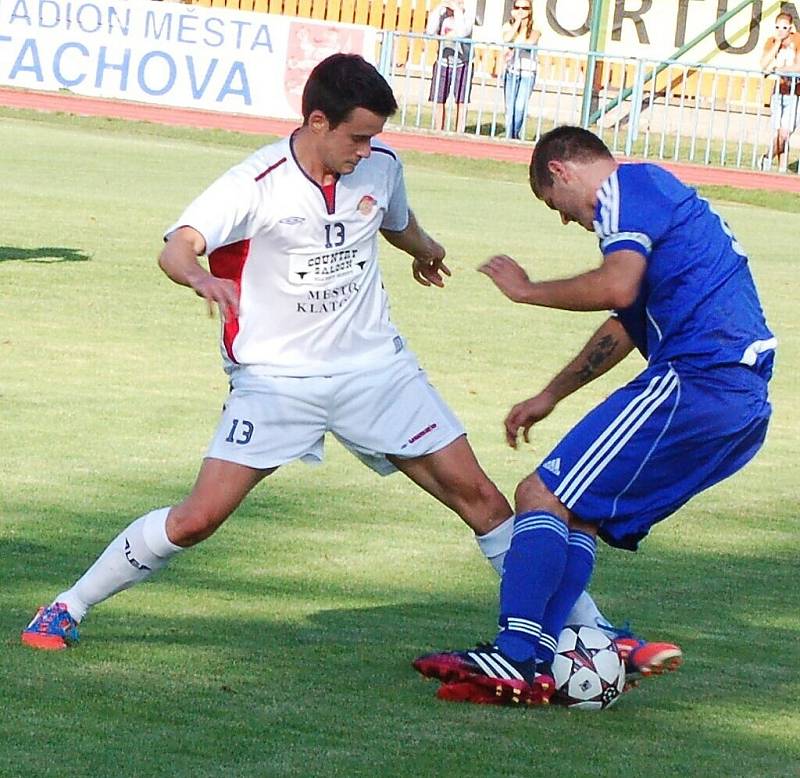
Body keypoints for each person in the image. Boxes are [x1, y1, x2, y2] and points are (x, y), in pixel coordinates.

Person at [20, 56, 642, 660]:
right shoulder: (253, 184)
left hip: (376, 369)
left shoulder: (379, 166)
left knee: (483, 500)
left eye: (375, 138)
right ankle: (68, 606)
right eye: (358, 136)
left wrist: (426, 249)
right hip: (276, 380)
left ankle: (592, 632)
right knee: (197, 518)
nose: (367, 150)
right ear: (317, 121)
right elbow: (178, 248)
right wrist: (200, 280)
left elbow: (391, 218)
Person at [413, 125, 775, 706]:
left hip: (700, 379)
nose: (563, 218)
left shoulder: (629, 188)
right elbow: (625, 325)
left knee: (538, 493)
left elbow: (617, 287)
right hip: (739, 404)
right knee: (577, 516)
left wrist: (528, 291)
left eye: (552, 204)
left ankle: (514, 655)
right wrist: (551, 394)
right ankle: (576, 647)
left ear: (561, 171)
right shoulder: (661, 202)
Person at [759, 11, 800, 171]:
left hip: (795, 93)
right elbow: (763, 64)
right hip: (778, 92)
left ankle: (767, 157)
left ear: (790, 27)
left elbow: (798, 67)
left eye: (784, 27)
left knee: (785, 133)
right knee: (779, 133)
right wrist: (777, 43)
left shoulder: (797, 39)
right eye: (777, 27)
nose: (780, 30)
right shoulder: (772, 41)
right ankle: (781, 168)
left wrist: (778, 69)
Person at [426, 0, 474, 132]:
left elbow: (461, 33)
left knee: (461, 100)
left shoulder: (467, 18)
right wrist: (439, 7)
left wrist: (458, 11)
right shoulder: (442, 17)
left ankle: (459, 131)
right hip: (442, 62)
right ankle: (438, 130)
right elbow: (430, 31)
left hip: (462, 64)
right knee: (439, 99)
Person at [501, 0, 541, 140]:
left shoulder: (535, 27)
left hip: (527, 72)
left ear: (530, 11)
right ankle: (509, 137)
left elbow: (530, 42)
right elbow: (506, 38)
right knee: (509, 108)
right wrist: (517, 22)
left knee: (519, 108)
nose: (520, 11)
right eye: (517, 7)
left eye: (524, 8)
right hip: (512, 71)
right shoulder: (508, 25)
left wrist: (513, 47)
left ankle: (514, 135)